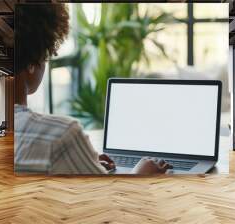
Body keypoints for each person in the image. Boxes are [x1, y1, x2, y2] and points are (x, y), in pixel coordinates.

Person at [14, 3, 172, 175]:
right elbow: (106, 200)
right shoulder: (61, 135)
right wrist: (139, 176)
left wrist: (81, 164)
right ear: (32, 62)